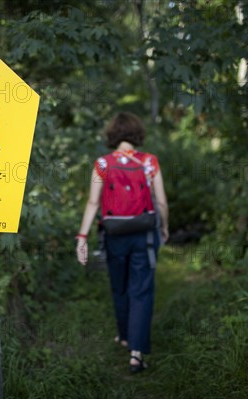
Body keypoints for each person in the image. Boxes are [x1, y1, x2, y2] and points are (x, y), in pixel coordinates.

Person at [75, 111, 169, 373]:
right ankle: (136, 353)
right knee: (141, 289)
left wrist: (82, 237)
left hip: (114, 233)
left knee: (119, 285)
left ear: (112, 135)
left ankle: (125, 335)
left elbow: (94, 202)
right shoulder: (150, 162)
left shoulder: (102, 163)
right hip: (144, 232)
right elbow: (161, 201)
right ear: (137, 134)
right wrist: (165, 227)